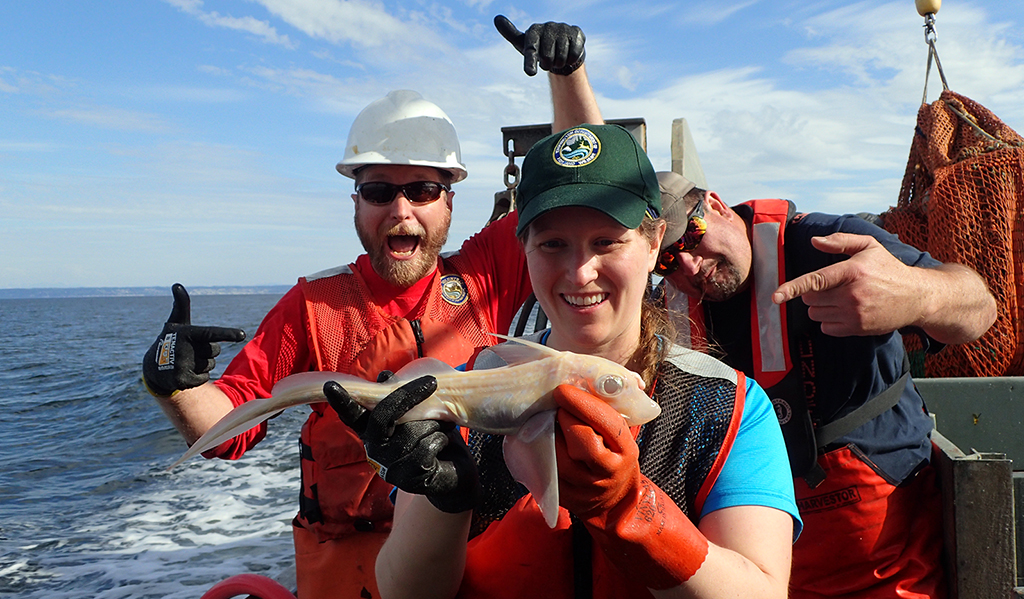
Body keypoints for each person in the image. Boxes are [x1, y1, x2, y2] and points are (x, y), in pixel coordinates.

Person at [140, 17, 602, 599]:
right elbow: (227, 427)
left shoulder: (486, 272)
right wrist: (174, 384)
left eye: (424, 190)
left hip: (469, 558)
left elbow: (581, 180)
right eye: (380, 191)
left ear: (450, 202)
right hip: (348, 575)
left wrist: (567, 74)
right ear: (356, 203)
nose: (402, 211)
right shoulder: (313, 306)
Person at [326, 123, 802, 599]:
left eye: (607, 242)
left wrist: (627, 509)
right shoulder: (467, 394)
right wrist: (444, 500)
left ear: (654, 242)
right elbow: (406, 593)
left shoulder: (729, 407)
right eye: (552, 244)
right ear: (524, 248)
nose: (580, 272)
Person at [653, 170, 997, 599]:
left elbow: (980, 308)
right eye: (665, 260)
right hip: (750, 540)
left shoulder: (830, 243)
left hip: (884, 539)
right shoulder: (660, 312)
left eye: (692, 236)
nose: (688, 264)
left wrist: (917, 293)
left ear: (718, 205)